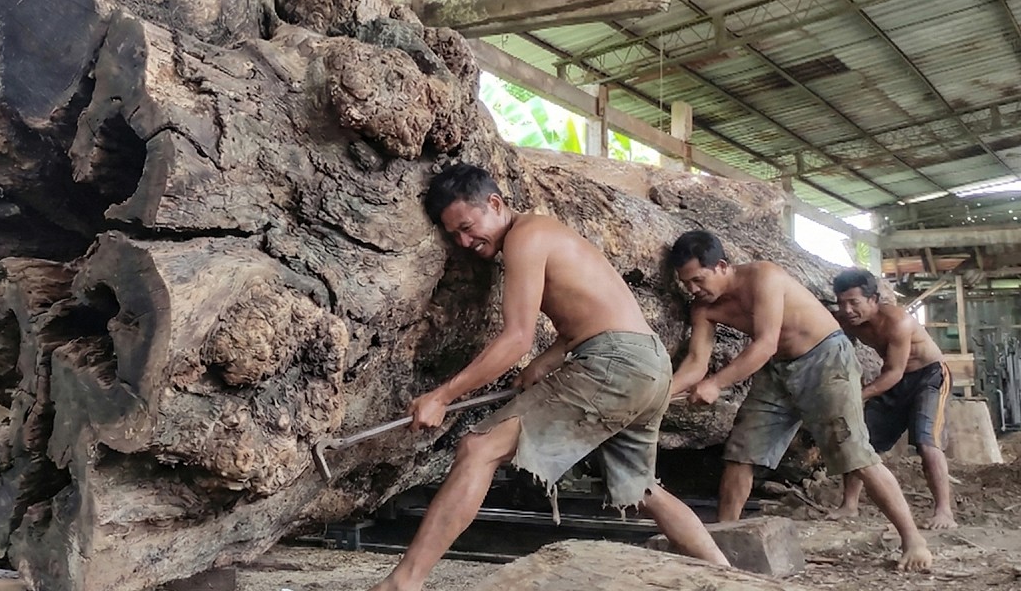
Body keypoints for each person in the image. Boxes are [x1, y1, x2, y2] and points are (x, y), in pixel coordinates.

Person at [369, 164, 728, 591]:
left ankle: (402, 584)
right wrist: (549, 361)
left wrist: (442, 396)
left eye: (468, 226)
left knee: (479, 448)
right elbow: (589, 314)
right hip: (647, 362)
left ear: (496, 204)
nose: (465, 241)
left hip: (613, 362)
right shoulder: (546, 233)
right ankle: (728, 575)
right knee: (641, 490)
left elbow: (516, 339)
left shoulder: (526, 236)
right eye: (454, 236)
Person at [667, 230, 932, 572]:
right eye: (686, 283)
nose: (693, 289)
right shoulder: (702, 308)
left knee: (856, 454)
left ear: (721, 265)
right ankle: (722, 545)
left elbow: (764, 343)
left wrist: (716, 384)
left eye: (698, 280)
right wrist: (662, 393)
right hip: (778, 368)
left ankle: (913, 539)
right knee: (741, 454)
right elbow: (696, 364)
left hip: (825, 359)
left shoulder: (764, 276)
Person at [829, 269, 956, 529]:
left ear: (873, 299)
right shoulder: (845, 321)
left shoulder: (898, 322)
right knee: (861, 437)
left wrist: (859, 395)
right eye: (842, 303)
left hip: (928, 377)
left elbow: (894, 372)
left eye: (854, 302)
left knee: (926, 442)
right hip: (894, 379)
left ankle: (944, 511)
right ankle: (849, 504)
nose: (848, 310)